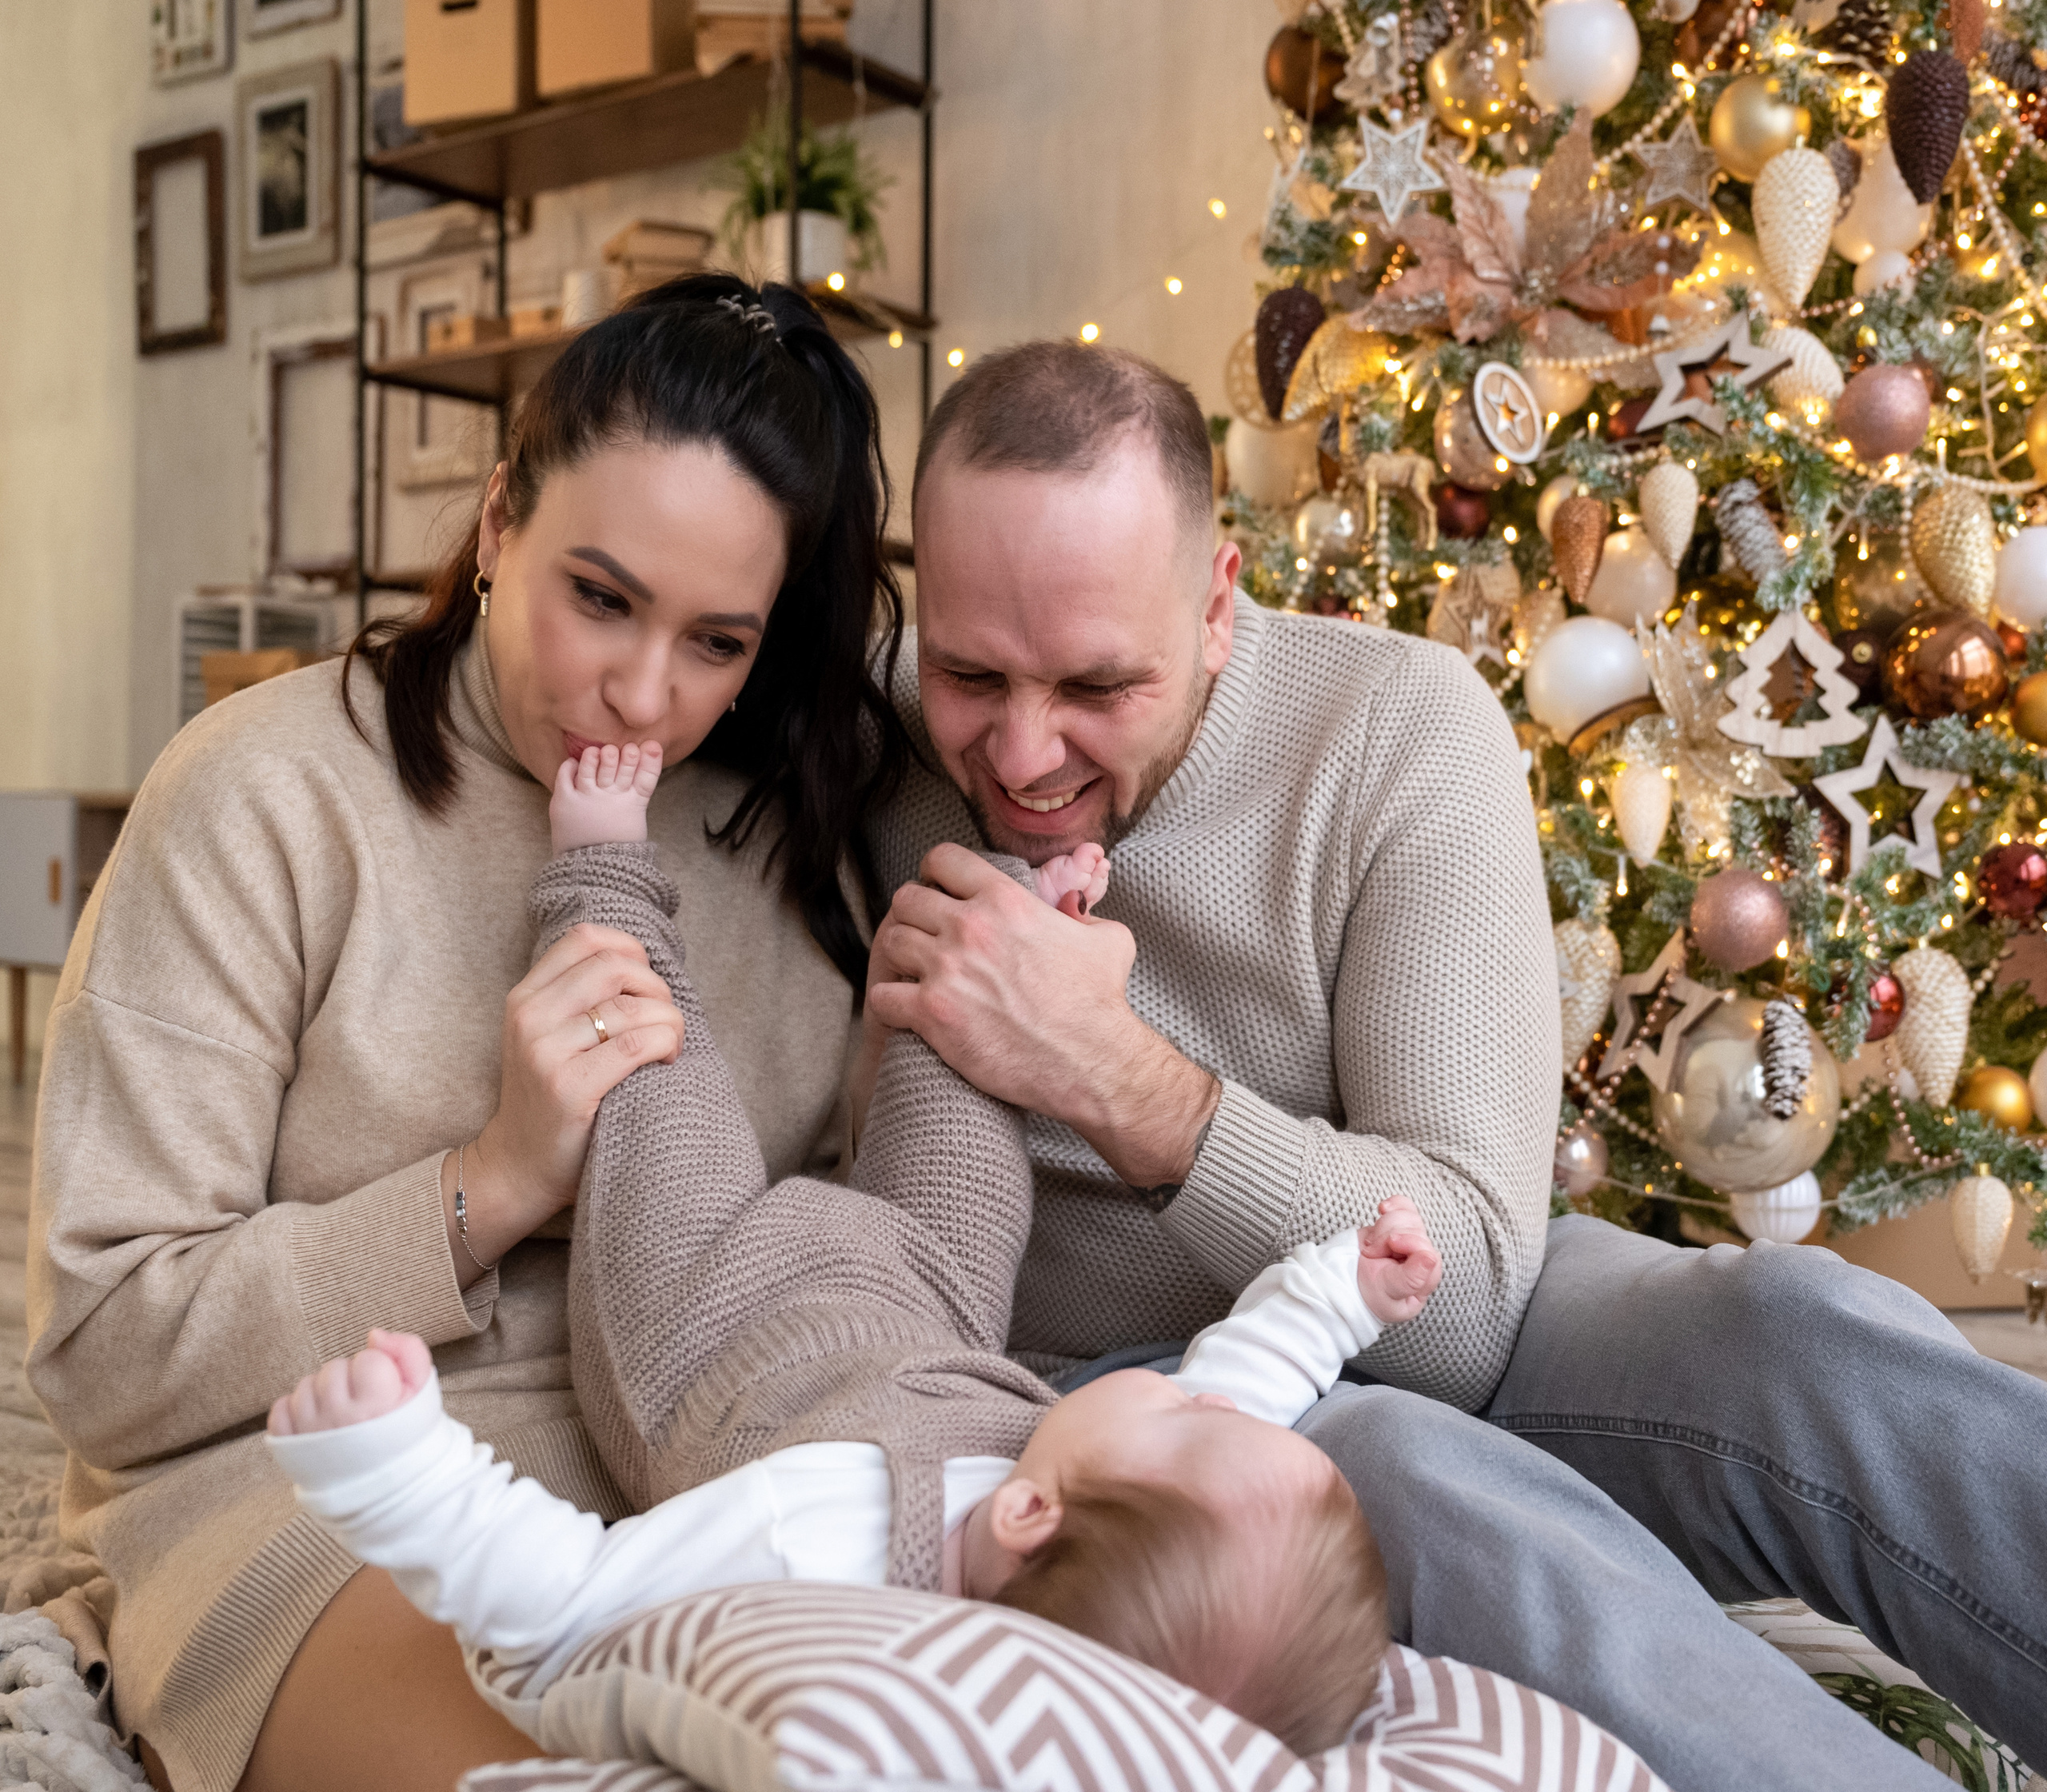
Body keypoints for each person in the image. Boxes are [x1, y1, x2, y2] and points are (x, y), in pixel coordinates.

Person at [860, 341, 2047, 1792]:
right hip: (1101, 1397)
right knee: (1409, 1480)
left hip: (1425, 1294)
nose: (1023, 752)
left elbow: (1474, 1295)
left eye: (1098, 684)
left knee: (1797, 1332)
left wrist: (1115, 1073)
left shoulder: (1394, 725)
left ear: (1221, 602)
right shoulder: (848, 742)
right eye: (970, 672)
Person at [26, 275, 916, 1792]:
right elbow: (106, 1350)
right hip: (311, 1490)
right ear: (498, 522)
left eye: (717, 639)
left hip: (698, 1482)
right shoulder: (265, 792)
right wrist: (491, 1180)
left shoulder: (790, 838)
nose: (644, 691)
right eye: (602, 595)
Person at [261, 740, 1446, 1757]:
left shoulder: (812, 1559)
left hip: (707, 1320)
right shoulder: (1119, 1501)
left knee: (646, 1065)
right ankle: (1009, 943)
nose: (1211, 1398)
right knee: (976, 1088)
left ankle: (600, 866)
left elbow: (571, 1599)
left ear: (1031, 1517)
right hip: (929, 1299)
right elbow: (1249, 1380)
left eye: (1190, 1418)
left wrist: (399, 1468)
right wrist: (1343, 1292)